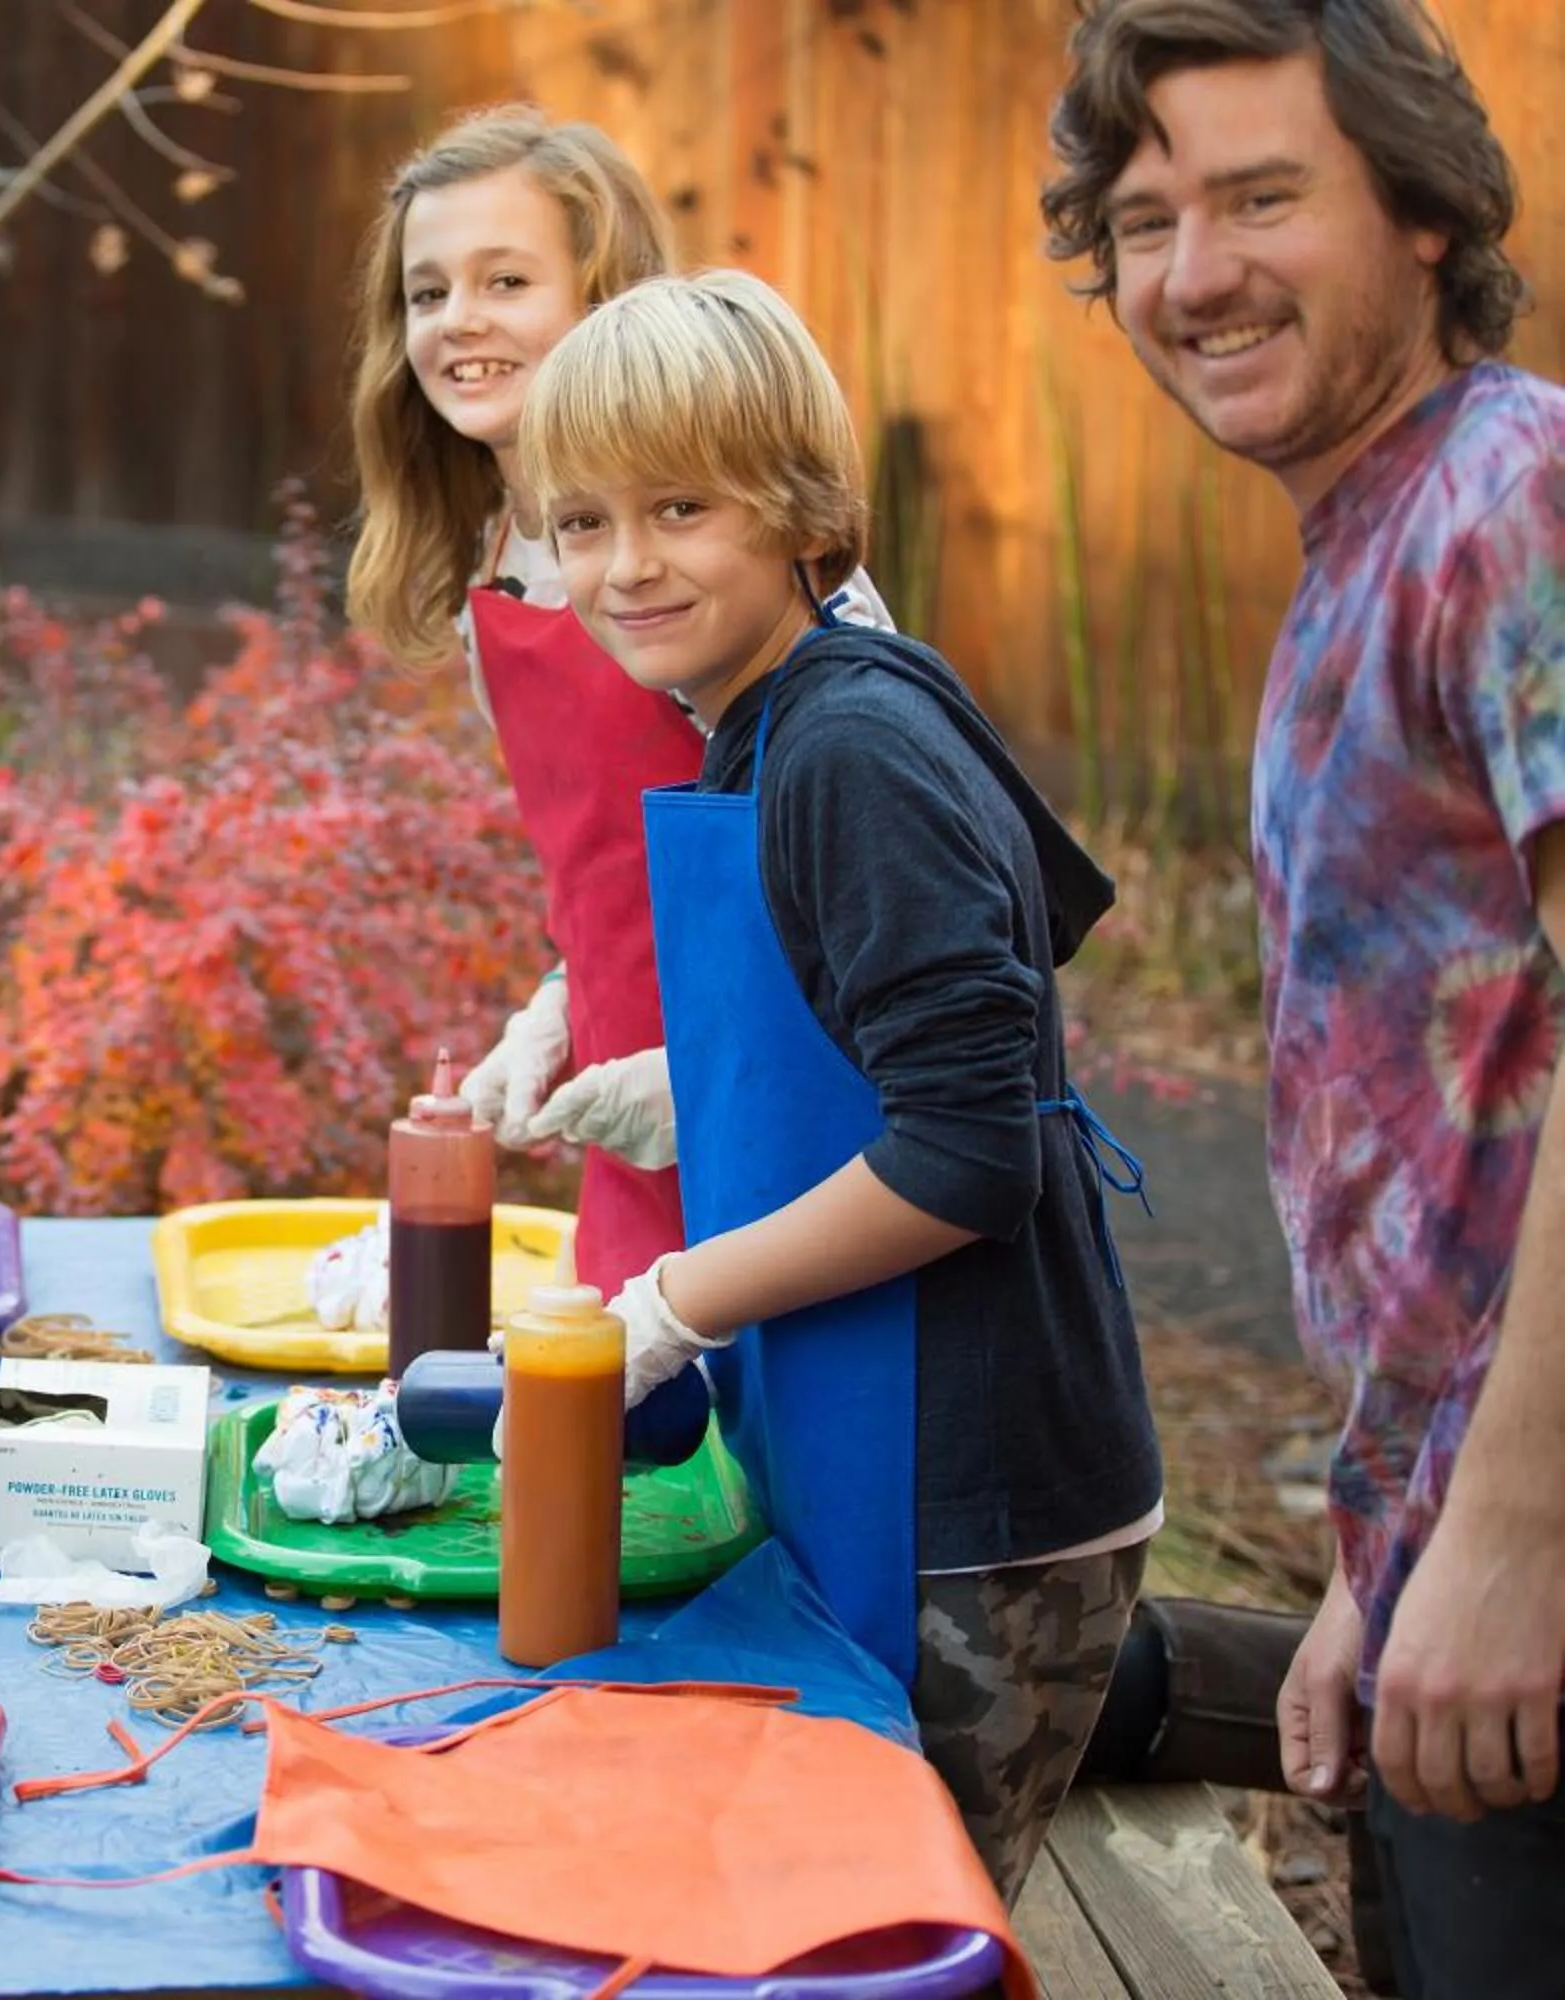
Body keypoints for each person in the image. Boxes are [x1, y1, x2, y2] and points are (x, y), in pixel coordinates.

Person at [515, 268, 1165, 1898]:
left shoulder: (847, 748)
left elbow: (966, 1154)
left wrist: (677, 1298)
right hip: (884, 1440)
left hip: (975, 1485)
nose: (625, 564)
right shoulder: (758, 719)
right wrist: (712, 1088)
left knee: (878, 1927)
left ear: (801, 507)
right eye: (583, 522)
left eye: (679, 507)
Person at [1045, 1, 1564, 1985]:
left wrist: (1515, 1535)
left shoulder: (1511, 497)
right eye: (1152, 218)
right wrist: (1383, 1550)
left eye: (1264, 197)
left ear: (1421, 215)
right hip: (1452, 1563)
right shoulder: (1374, 523)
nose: (1194, 274)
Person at [342, 104, 891, 1316]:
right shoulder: (495, 569)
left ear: (607, 297)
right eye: (427, 292)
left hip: (800, 1130)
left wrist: (713, 1077)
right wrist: (552, 1010)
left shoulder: (732, 566)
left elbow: (880, 872)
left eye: (507, 279)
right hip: (628, 1132)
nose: (459, 321)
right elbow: (618, 869)